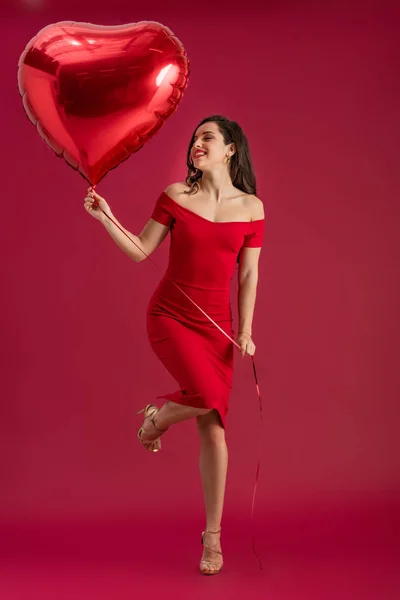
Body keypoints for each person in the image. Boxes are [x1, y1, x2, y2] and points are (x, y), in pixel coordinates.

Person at [83, 115, 265, 575]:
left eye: (207, 137)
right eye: (194, 138)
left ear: (230, 150)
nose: (197, 144)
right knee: (203, 397)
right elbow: (142, 249)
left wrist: (244, 330)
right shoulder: (176, 196)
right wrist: (107, 217)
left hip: (218, 327)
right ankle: (157, 419)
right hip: (171, 315)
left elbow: (248, 274)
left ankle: (213, 538)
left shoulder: (251, 208)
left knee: (215, 429)